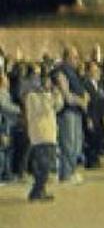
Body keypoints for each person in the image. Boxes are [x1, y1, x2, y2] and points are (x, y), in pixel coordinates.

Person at [22, 69, 64, 202]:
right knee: (42, 165)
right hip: (39, 134)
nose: (48, 84)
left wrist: (57, 93)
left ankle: (41, 190)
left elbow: (58, 106)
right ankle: (35, 192)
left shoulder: (48, 95)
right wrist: (48, 96)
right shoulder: (32, 97)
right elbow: (44, 109)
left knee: (47, 165)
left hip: (50, 134)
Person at [55, 47, 88, 184]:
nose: (77, 60)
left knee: (76, 144)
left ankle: (72, 171)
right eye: (74, 57)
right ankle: (66, 174)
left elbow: (80, 89)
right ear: (67, 58)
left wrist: (85, 96)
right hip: (67, 112)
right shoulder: (61, 72)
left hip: (77, 112)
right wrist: (81, 101)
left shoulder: (75, 73)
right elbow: (66, 95)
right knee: (68, 144)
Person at [83, 61, 104, 168]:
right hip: (91, 115)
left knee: (99, 138)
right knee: (91, 139)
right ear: (89, 72)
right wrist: (87, 117)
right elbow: (86, 102)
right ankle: (90, 161)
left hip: (100, 115)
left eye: (97, 70)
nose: (96, 73)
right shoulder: (85, 84)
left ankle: (96, 159)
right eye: (94, 71)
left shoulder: (100, 84)